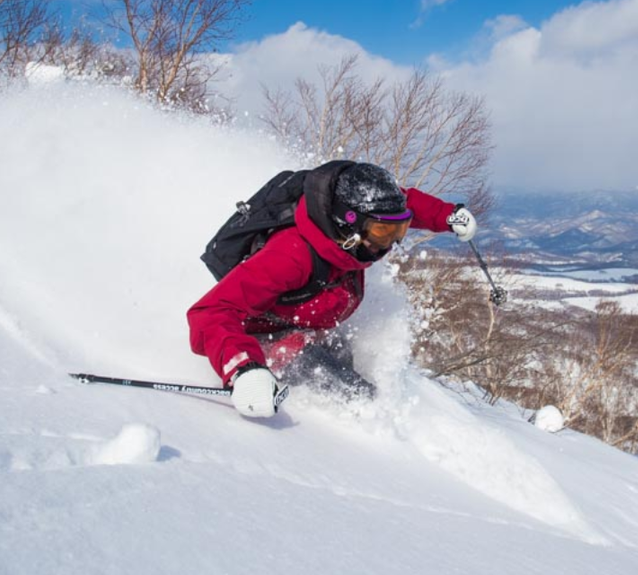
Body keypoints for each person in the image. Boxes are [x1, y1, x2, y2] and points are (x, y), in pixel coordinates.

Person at [187, 160, 476, 418]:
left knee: (349, 367)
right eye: (383, 232)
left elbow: (403, 202)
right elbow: (211, 312)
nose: (390, 242)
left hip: (314, 329)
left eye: (399, 230)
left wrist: (447, 216)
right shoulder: (291, 254)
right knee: (358, 398)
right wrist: (244, 369)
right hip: (268, 338)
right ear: (347, 222)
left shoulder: (353, 232)